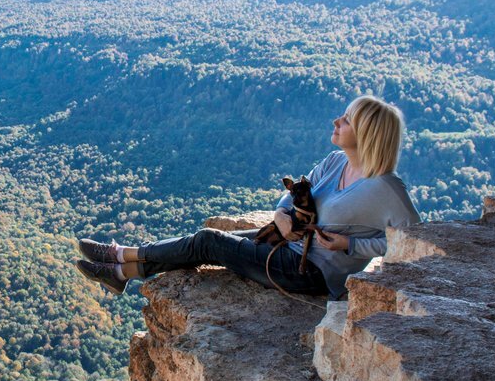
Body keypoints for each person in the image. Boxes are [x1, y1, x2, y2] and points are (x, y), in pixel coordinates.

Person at [74, 95, 420, 301]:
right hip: (284, 246)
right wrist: (282, 215)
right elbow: (296, 195)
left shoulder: (387, 189)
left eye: (346, 119)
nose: (336, 121)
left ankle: (119, 257)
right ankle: (123, 269)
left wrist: (350, 245)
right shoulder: (335, 162)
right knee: (201, 242)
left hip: (310, 272)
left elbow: (413, 246)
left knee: (208, 241)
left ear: (367, 133)